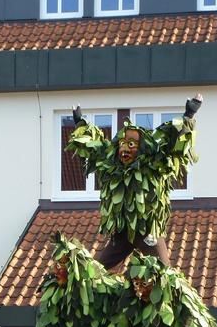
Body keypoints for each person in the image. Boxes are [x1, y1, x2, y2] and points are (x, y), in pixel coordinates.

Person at [67, 95, 202, 269]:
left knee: (164, 275)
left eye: (131, 144)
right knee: (97, 271)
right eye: (122, 143)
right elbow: (95, 148)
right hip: (122, 232)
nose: (124, 148)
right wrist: (79, 123)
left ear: (141, 149)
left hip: (147, 230)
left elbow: (171, 144)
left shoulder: (153, 164)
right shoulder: (112, 167)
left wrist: (189, 114)